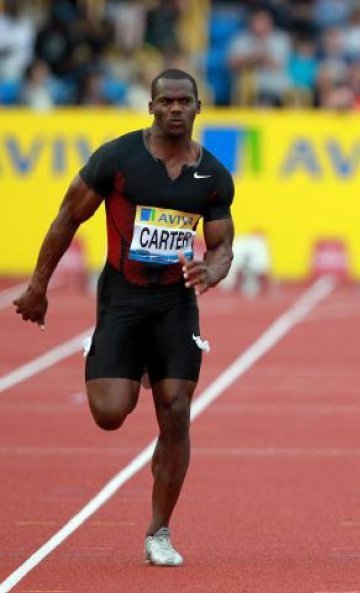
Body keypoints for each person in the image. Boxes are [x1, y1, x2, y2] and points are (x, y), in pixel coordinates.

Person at [13, 69, 235, 566]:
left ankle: (159, 531)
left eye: (185, 102)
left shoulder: (214, 176)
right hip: (122, 299)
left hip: (176, 303)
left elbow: (223, 247)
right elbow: (68, 217)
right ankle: (119, 358)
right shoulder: (118, 159)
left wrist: (212, 270)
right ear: (151, 107)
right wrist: (37, 287)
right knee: (110, 413)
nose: (176, 109)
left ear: (199, 108)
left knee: (175, 411)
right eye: (166, 101)